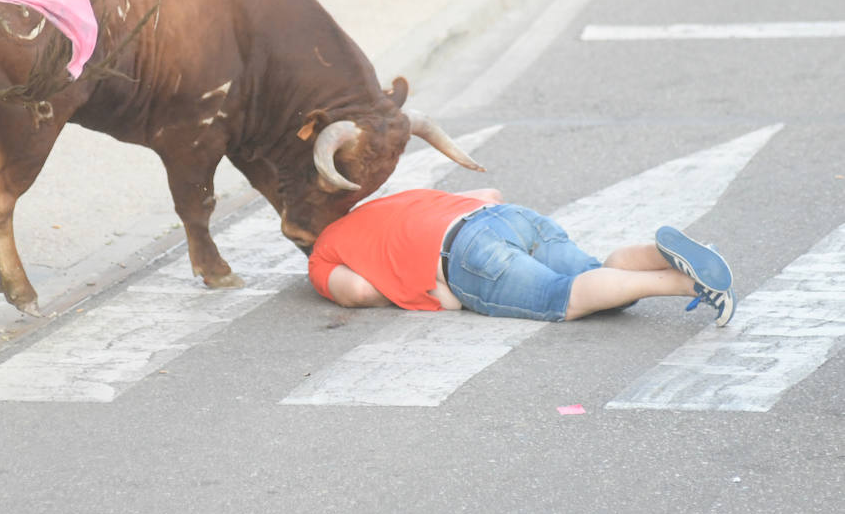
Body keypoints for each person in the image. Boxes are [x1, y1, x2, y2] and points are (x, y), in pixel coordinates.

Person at [308, 187, 736, 326]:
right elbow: (489, 193)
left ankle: (686, 282)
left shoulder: (322, 254)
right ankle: (661, 254)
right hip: (507, 218)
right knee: (598, 276)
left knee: (563, 296)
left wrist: (408, 286)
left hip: (467, 254)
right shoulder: (386, 202)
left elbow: (358, 290)